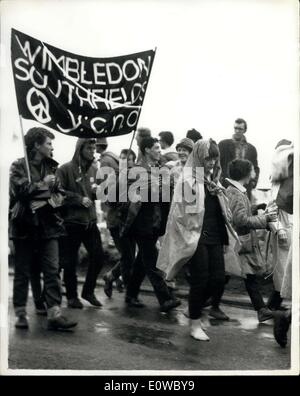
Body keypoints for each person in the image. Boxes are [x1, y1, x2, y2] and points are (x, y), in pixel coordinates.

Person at [157, 139, 239, 341]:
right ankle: (195, 324)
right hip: (196, 236)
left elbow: (222, 210)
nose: (211, 162)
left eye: (214, 158)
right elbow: (181, 214)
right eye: (207, 158)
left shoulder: (213, 180)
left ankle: (192, 308)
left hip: (215, 235)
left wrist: (220, 195)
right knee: (201, 280)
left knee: (218, 279)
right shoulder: (188, 180)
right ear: (200, 157)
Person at [9, 127, 77, 330]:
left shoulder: (52, 167)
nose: (51, 146)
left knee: (52, 270)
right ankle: (20, 313)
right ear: (37, 145)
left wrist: (47, 198)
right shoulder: (18, 166)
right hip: (24, 227)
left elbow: (61, 195)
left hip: (49, 226)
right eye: (48, 143)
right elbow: (19, 191)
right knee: (22, 271)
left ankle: (54, 313)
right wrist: (43, 185)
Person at [120, 137, 181, 312]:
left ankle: (130, 294)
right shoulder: (137, 170)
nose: (159, 151)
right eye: (155, 148)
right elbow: (131, 196)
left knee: (142, 262)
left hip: (155, 222)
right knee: (152, 260)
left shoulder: (159, 169)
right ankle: (165, 299)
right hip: (141, 223)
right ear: (146, 150)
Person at [226, 159, 278, 323]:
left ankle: (261, 310)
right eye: (252, 170)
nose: (255, 173)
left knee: (245, 276)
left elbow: (240, 213)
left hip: (241, 242)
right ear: (245, 174)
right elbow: (241, 220)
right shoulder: (236, 193)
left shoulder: (236, 191)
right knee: (233, 276)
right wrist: (264, 220)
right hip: (241, 242)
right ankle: (200, 304)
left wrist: (255, 208)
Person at [57, 138, 105, 308]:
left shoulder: (94, 169)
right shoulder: (64, 169)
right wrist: (78, 199)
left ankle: (88, 291)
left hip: (89, 221)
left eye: (94, 148)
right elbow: (58, 194)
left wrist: (98, 192)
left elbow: (97, 194)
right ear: (80, 149)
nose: (93, 151)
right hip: (71, 222)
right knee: (70, 261)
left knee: (98, 256)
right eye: (89, 148)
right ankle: (71, 297)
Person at [102, 148, 137, 298]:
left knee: (129, 257)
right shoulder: (113, 177)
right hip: (116, 223)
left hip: (131, 223)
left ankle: (111, 276)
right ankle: (130, 293)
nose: (126, 162)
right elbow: (109, 201)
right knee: (128, 256)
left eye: (129, 159)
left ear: (134, 162)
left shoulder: (136, 177)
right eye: (122, 159)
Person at [266, 140, 293, 311]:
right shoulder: (278, 183)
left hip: (290, 226)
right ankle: (272, 307)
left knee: (286, 270)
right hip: (283, 228)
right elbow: (271, 209)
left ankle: (274, 306)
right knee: (282, 270)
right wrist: (279, 227)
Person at [218, 118, 259, 199]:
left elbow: (255, 167)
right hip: (227, 186)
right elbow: (217, 163)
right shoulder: (223, 145)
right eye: (235, 128)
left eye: (240, 129)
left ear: (245, 130)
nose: (237, 131)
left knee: (243, 209)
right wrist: (219, 180)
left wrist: (253, 182)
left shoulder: (251, 149)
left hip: (245, 187)